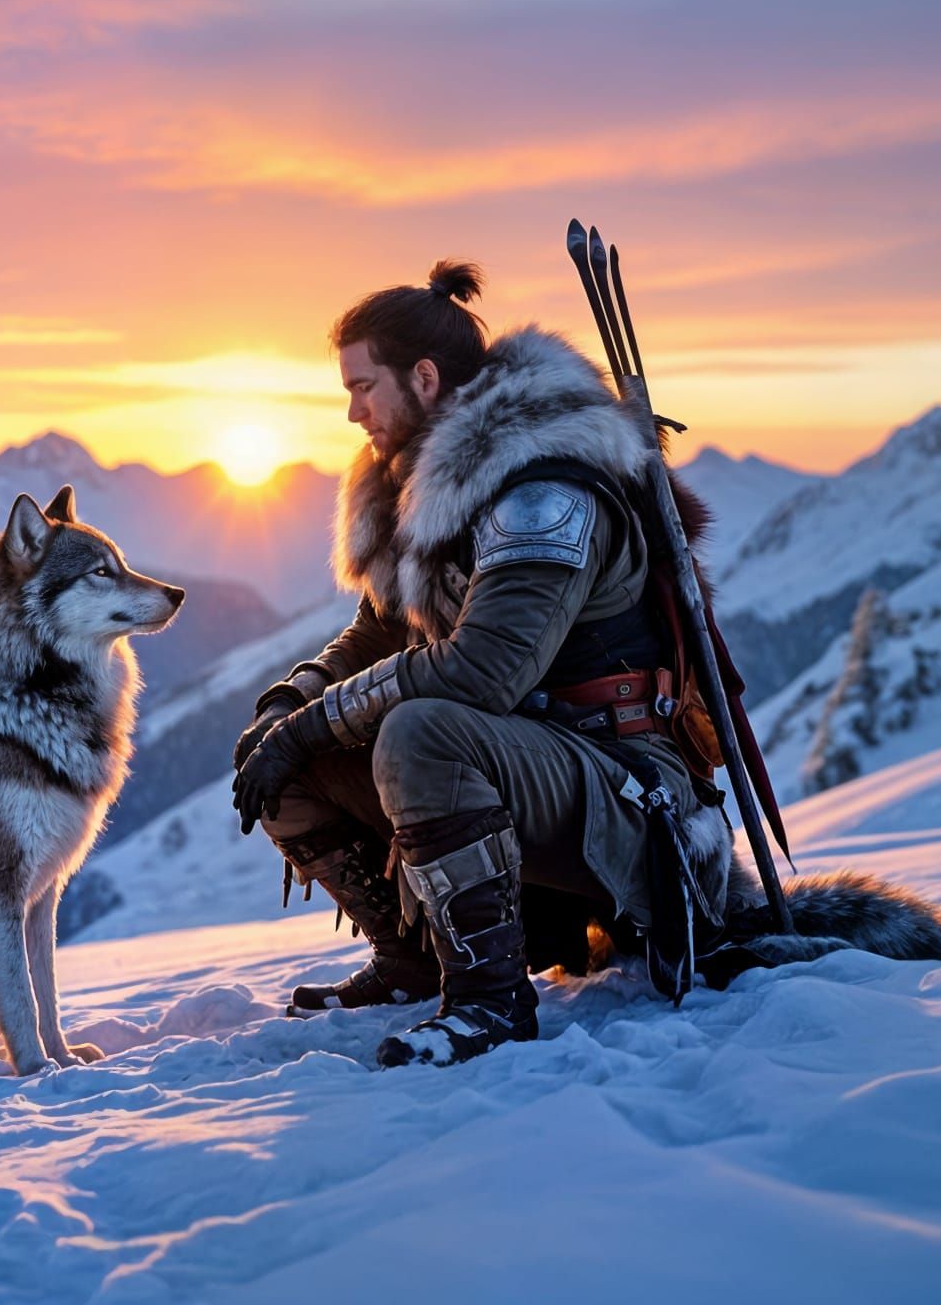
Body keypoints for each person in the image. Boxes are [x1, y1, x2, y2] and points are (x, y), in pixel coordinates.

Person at [231, 261, 732, 1068]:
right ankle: (412, 963)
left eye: (364, 387)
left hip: (628, 787)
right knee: (290, 750)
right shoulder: (431, 486)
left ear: (424, 379)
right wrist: (291, 708)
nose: (352, 410)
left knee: (424, 732)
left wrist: (318, 722)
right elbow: (377, 636)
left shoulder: (544, 493)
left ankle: (491, 1002)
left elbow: (484, 672)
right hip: (535, 767)